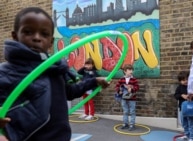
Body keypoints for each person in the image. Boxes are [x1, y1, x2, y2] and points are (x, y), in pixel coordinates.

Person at [0, 7, 110, 141]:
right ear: (15, 36)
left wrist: (94, 81)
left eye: (44, 34)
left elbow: (70, 92)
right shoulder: (6, 73)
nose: (36, 38)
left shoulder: (56, 70)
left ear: (51, 42)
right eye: (28, 32)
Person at [174, 71, 193, 141]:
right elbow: (176, 95)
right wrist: (182, 95)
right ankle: (187, 134)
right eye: (183, 80)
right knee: (184, 123)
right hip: (182, 109)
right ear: (180, 81)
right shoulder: (179, 88)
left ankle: (192, 137)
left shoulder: (192, 86)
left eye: (187, 79)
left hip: (191, 109)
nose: (186, 81)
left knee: (191, 123)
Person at [115, 64, 139, 131]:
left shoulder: (134, 79)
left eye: (132, 70)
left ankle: (132, 125)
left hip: (132, 98)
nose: (131, 71)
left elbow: (137, 87)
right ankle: (125, 124)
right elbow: (117, 86)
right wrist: (119, 90)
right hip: (124, 98)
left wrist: (132, 89)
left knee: (132, 111)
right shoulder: (121, 79)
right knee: (125, 111)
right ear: (125, 71)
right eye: (129, 70)